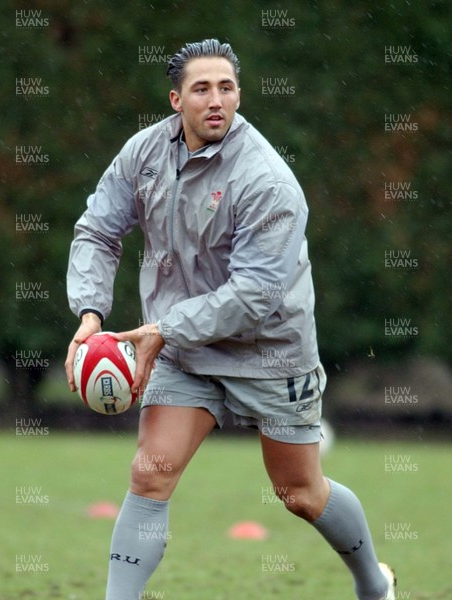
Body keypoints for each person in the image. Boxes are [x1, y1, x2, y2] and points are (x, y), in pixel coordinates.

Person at [65, 38, 396, 600]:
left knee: (299, 492)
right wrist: (91, 314)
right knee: (151, 472)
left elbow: (255, 294)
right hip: (182, 350)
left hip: (268, 349)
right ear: (176, 100)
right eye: (201, 89)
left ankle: (374, 584)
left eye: (227, 87)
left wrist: (162, 329)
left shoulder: (267, 181)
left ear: (238, 95)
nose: (216, 100)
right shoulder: (143, 154)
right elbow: (97, 230)